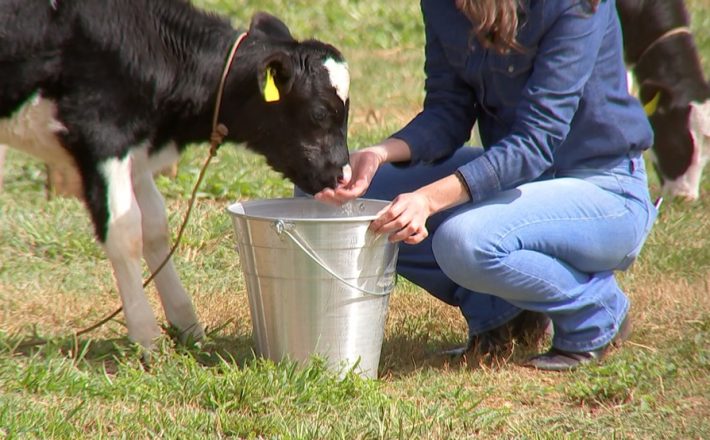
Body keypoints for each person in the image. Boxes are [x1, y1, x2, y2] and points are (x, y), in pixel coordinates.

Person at [313, 0, 658, 371]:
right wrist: (378, 154)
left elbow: (536, 141)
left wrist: (428, 200)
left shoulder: (573, 5)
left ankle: (596, 313)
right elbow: (448, 110)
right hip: (517, 181)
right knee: (330, 197)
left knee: (464, 241)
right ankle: (502, 316)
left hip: (604, 187)